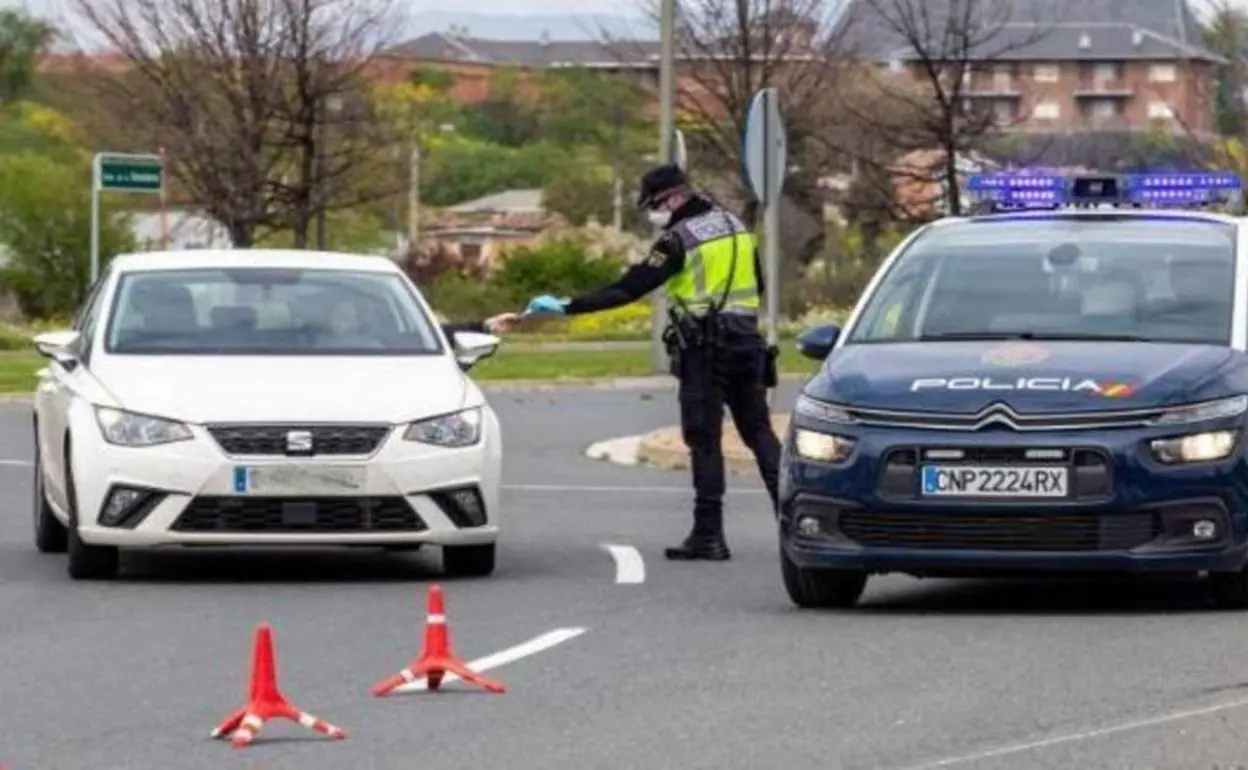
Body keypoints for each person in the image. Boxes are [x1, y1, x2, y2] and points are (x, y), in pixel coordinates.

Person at [524, 164, 782, 562]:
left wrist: (569, 307)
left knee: (705, 439)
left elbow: (630, 288)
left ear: (674, 198)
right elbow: (759, 285)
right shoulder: (736, 226)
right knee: (759, 432)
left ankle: (708, 534)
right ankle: (794, 523)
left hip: (705, 347)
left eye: (654, 206)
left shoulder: (677, 239)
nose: (653, 215)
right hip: (747, 342)